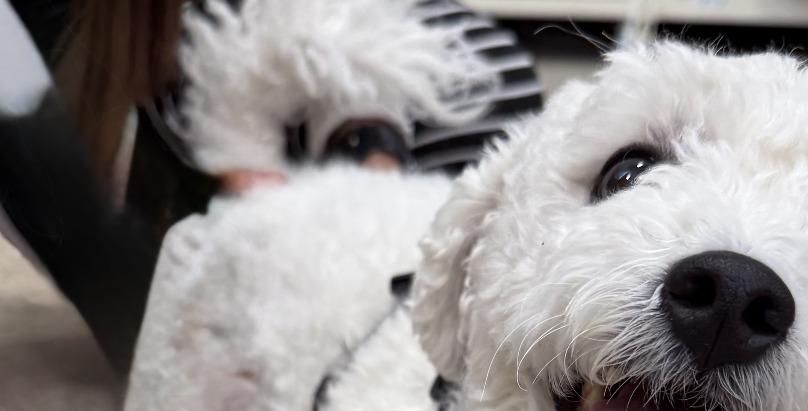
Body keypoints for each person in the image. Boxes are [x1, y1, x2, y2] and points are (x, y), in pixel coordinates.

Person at [0, 0, 542, 375]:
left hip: (442, 238)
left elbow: (363, 140)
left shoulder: (211, 39)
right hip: (504, 201)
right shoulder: (207, 48)